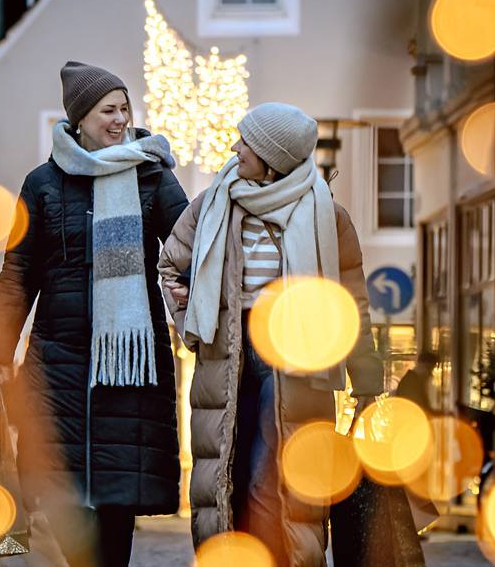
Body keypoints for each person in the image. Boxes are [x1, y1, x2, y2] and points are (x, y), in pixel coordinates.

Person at [158, 102, 389, 567]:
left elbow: (352, 301)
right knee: (228, 476)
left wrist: (366, 374)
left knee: (275, 482)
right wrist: (196, 323)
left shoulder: (328, 215)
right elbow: (170, 267)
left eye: (246, 142)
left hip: (294, 357)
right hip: (227, 353)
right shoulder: (213, 204)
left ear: (273, 155)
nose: (234, 148)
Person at [0, 61, 188, 567]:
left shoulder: (152, 176)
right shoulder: (44, 184)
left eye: (124, 109)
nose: (120, 120)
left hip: (129, 364)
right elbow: (18, 272)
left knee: (117, 501)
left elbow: (189, 246)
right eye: (107, 111)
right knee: (58, 495)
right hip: (60, 363)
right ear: (79, 118)